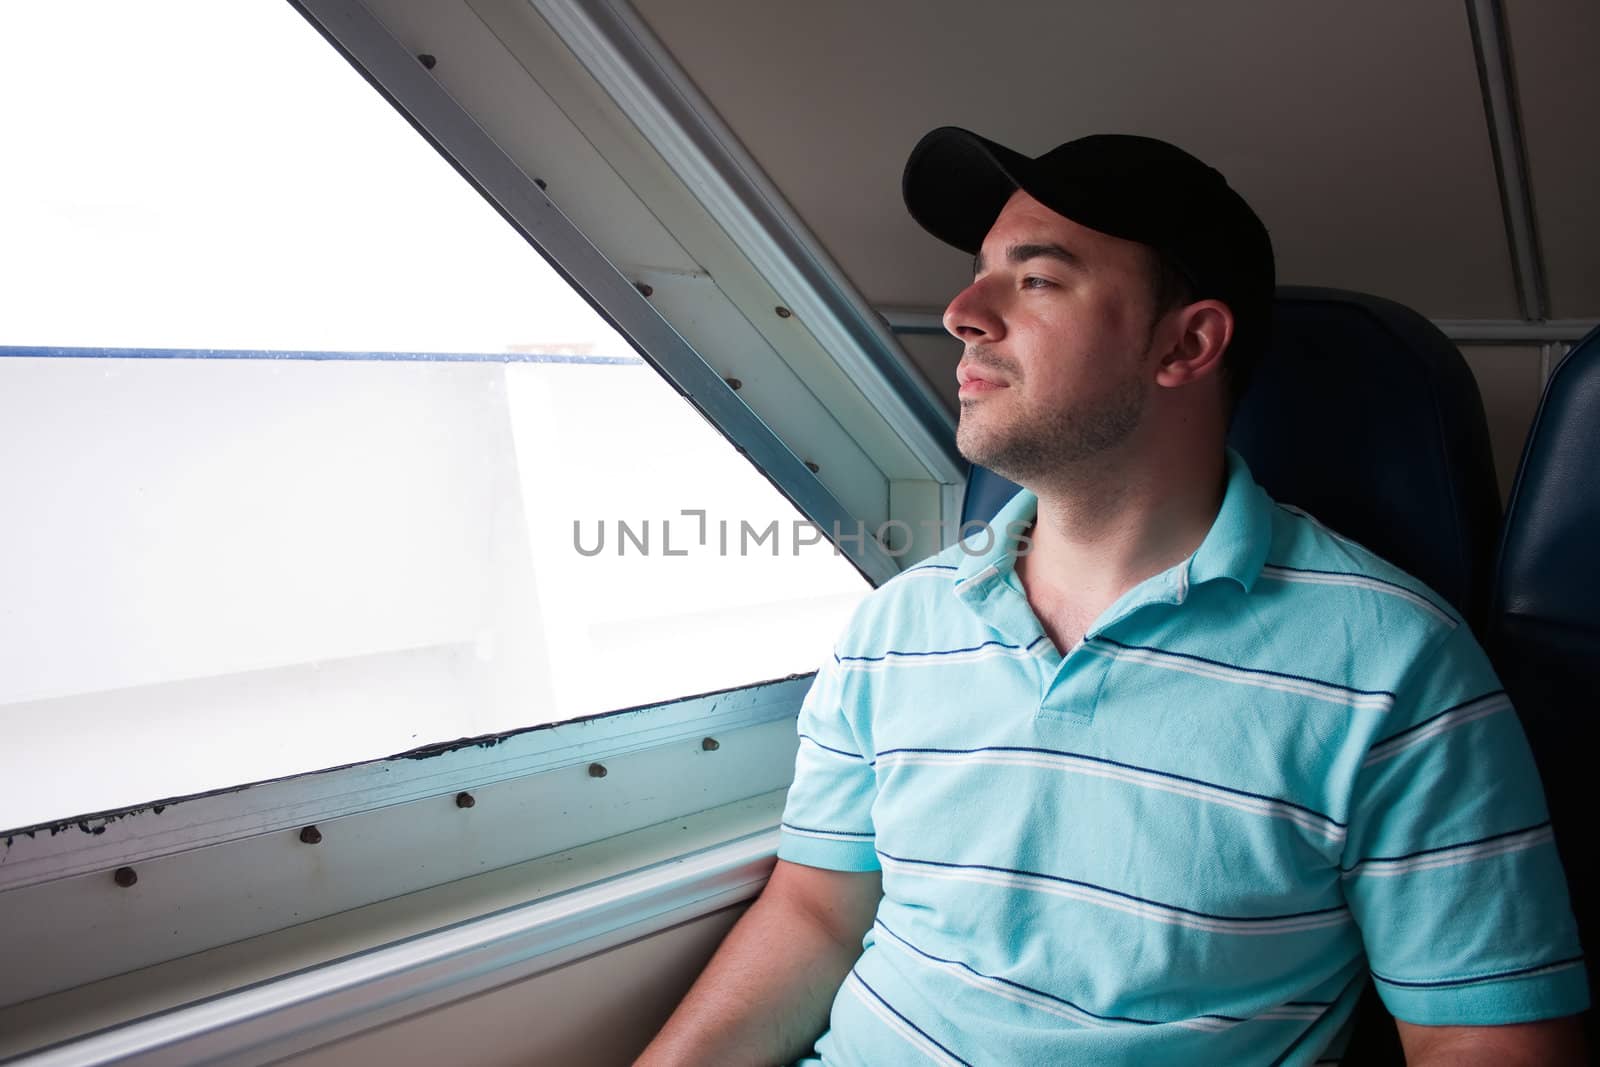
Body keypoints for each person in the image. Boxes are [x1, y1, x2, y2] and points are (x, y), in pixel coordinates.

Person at [635, 128, 1588, 1065]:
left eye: (1037, 279)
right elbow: (814, 912)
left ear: (1186, 343)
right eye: (978, 271)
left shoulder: (1395, 665)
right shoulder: (898, 625)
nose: (964, 310)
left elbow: (1482, 1030)